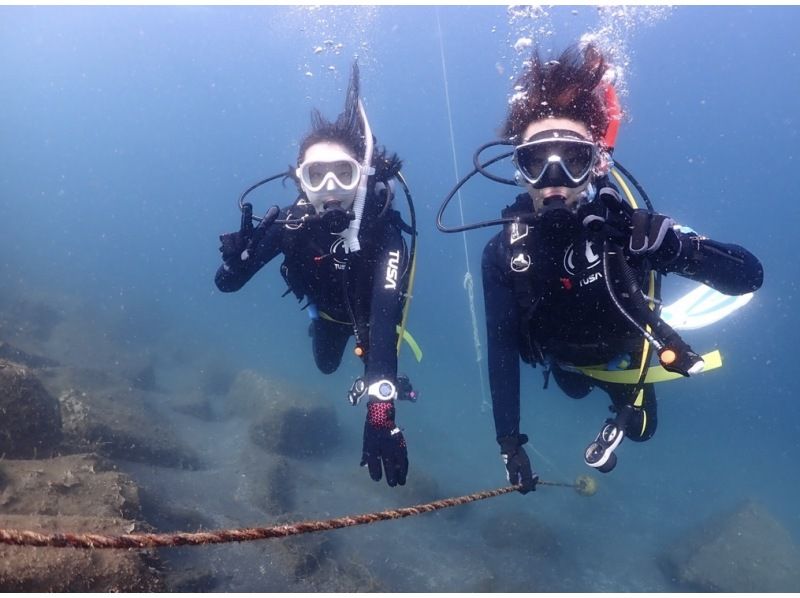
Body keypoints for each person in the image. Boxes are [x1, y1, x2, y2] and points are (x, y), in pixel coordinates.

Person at [473, 44, 764, 493]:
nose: (554, 180)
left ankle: (632, 401)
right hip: (562, 363)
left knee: (644, 428)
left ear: (596, 164)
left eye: (572, 160)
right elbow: (500, 352)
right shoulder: (502, 252)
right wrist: (508, 442)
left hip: (625, 362)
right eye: (537, 161)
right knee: (572, 387)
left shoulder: (630, 229)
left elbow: (748, 276)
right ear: (520, 171)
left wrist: (675, 247)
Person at [214, 62, 418, 488]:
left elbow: (383, 322)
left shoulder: (385, 238)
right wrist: (237, 260)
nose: (329, 187)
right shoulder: (289, 226)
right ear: (300, 181)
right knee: (325, 365)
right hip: (325, 318)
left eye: (342, 173)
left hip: (369, 327)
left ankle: (371, 373)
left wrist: (381, 415)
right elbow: (226, 284)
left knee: (373, 358)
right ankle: (318, 327)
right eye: (315, 174)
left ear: (362, 179)